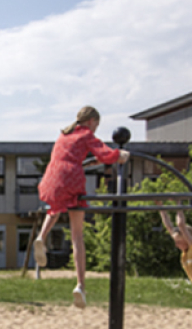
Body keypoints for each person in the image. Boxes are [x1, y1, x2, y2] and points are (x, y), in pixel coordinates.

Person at [33, 106, 129, 308]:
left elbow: (69, 158)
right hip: (71, 179)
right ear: (92, 121)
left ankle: (42, 236)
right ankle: (80, 285)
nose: (95, 129)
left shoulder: (63, 135)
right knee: (77, 235)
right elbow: (104, 154)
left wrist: (85, 163)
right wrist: (119, 154)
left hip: (52, 178)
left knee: (55, 207)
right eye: (96, 125)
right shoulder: (86, 135)